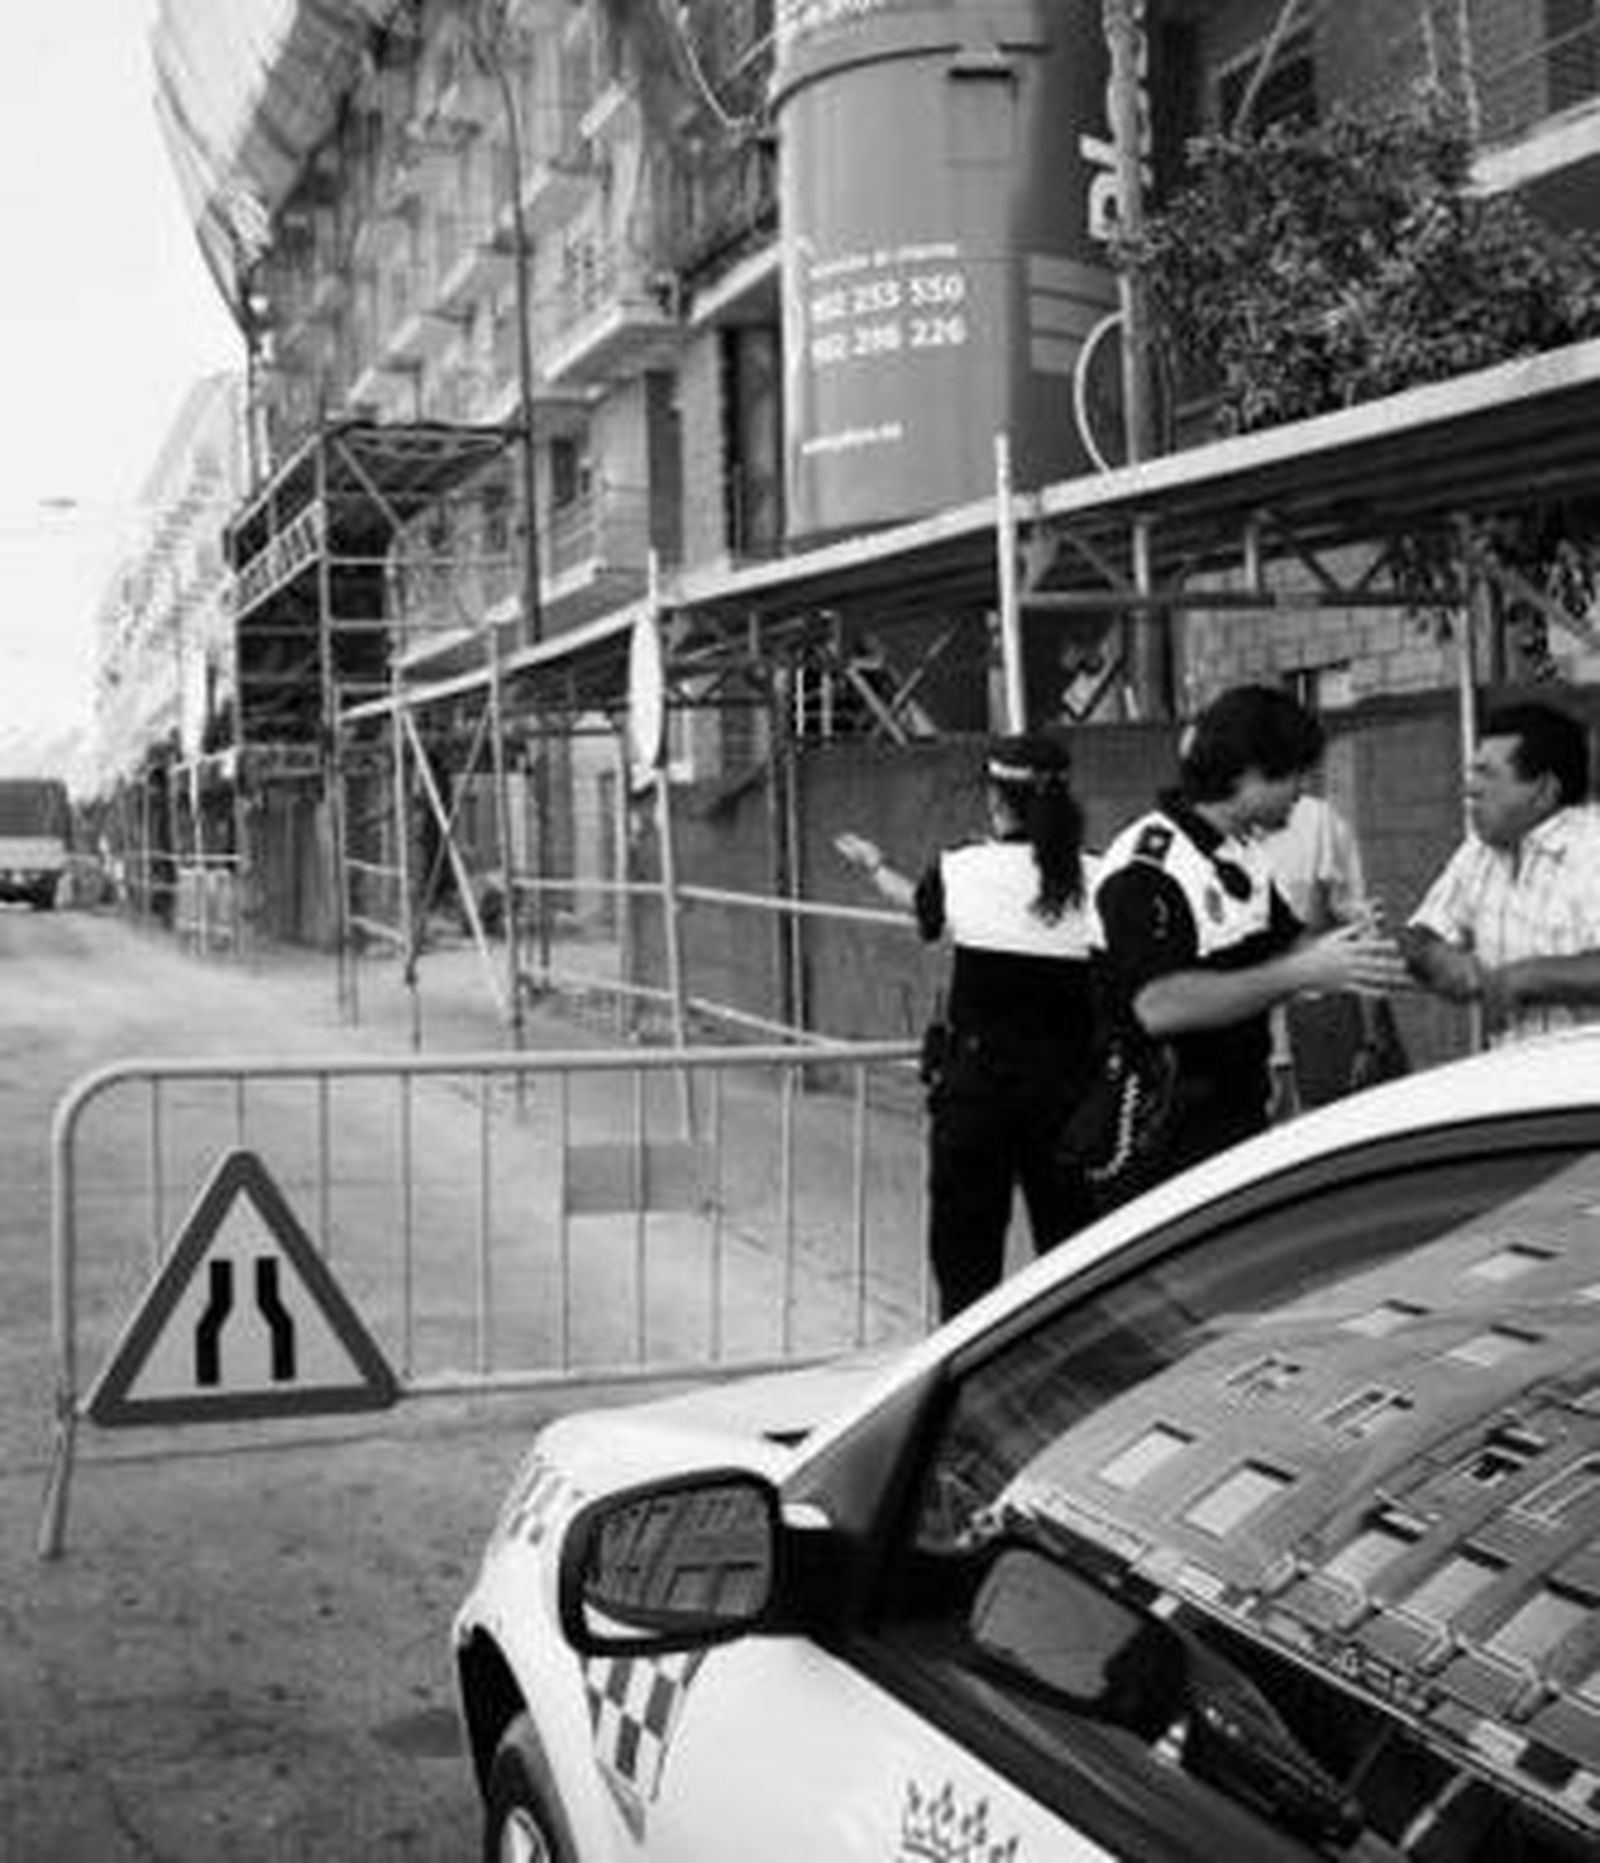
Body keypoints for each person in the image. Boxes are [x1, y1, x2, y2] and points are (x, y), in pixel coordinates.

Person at [1093, 684, 1407, 1186]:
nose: (1304, 790)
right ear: (1248, 773)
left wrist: (1356, 950)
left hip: (1232, 1114)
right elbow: (1158, 1005)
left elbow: (1285, 946)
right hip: (1158, 1134)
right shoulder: (1149, 865)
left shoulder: (1242, 850)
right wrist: (1299, 972)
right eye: (1296, 774)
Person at [835, 732, 1099, 1321]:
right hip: (1071, 1099)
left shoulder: (963, 867)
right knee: (1079, 1257)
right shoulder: (1101, 875)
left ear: (997, 801)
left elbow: (920, 905)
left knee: (966, 1266)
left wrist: (875, 866)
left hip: (978, 1096)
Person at [1401, 701, 1600, 1045]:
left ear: (1545, 790)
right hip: (1513, 1085)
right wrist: (1438, 958)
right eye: (1473, 772)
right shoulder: (1480, 852)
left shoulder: (1591, 848)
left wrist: (1524, 978)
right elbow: (1417, 936)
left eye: (1488, 774)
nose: (1470, 788)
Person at [1257, 790, 1407, 1111]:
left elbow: (1359, 927)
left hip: (1314, 1038)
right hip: (1236, 1045)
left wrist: (1374, 1038)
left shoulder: (1314, 821)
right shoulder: (1192, 840)